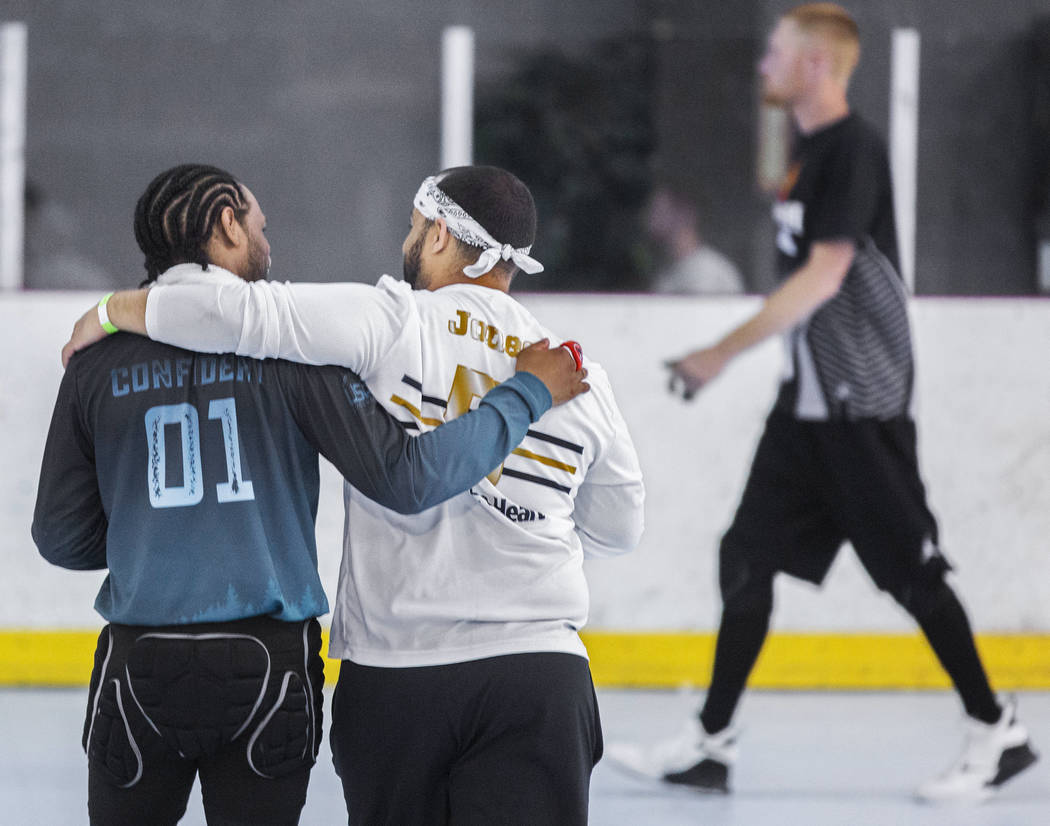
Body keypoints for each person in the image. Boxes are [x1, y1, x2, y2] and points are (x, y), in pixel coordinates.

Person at [62, 164, 646, 825]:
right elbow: (617, 530)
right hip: (540, 673)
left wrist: (111, 310)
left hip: (399, 674)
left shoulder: (390, 320)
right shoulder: (578, 372)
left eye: (413, 226)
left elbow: (227, 309)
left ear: (438, 237)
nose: (409, 238)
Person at [607, 3, 1038, 804]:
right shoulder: (804, 155)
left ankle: (997, 728)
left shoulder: (854, 149)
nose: (763, 64)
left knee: (914, 575)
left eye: (775, 52)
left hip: (857, 411)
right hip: (803, 412)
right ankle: (713, 743)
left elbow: (825, 275)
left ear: (815, 64)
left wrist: (718, 354)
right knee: (745, 557)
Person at [645, 185, 744, 295]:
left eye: (660, 210)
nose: (652, 217)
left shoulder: (712, 271)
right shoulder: (665, 273)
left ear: (685, 214)